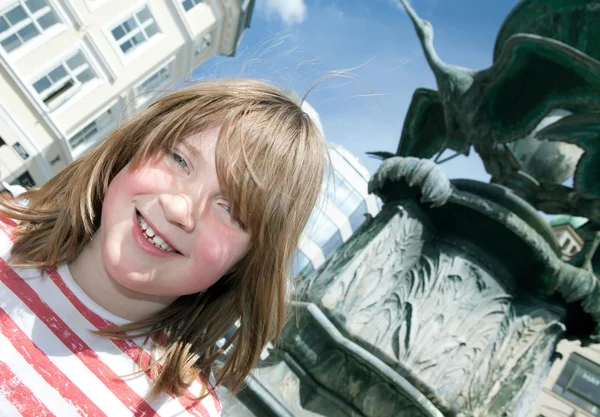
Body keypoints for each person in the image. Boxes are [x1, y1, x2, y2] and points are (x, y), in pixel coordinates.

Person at [0, 78, 326, 416]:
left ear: (246, 263)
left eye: (231, 210)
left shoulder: (176, 410)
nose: (179, 208)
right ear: (137, 144)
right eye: (179, 160)